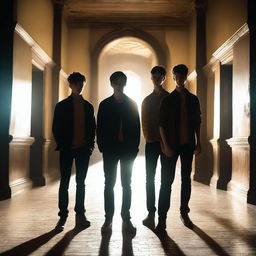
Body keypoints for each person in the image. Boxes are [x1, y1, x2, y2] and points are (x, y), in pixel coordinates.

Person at [155, 64, 201, 232]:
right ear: (173, 77)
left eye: (183, 76)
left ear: (186, 77)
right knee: (166, 182)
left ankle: (184, 212)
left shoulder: (193, 99)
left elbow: (197, 123)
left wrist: (199, 142)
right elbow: (161, 125)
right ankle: (162, 218)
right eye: (177, 76)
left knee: (186, 180)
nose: (180, 79)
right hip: (171, 146)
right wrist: (165, 146)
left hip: (188, 144)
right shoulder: (167, 100)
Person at [97, 71, 140, 234]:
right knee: (109, 184)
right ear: (111, 84)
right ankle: (108, 219)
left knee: (126, 185)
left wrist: (135, 149)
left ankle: (126, 218)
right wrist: (102, 147)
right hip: (110, 150)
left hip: (128, 150)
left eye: (122, 82)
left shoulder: (132, 104)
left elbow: (137, 128)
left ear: (125, 84)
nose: (119, 85)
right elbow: (99, 128)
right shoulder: (104, 104)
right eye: (116, 82)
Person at [52, 72, 96, 231]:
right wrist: (63, 145)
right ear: (70, 85)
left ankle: (80, 213)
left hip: (83, 150)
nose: (79, 86)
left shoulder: (88, 107)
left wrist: (90, 146)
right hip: (67, 149)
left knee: (81, 183)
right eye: (76, 83)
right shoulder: (61, 106)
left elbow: (92, 128)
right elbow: (56, 128)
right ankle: (63, 215)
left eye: (81, 83)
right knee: (64, 182)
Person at [141, 66, 169, 228]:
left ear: (164, 78)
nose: (156, 79)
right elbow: (144, 123)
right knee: (149, 178)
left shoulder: (170, 99)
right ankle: (151, 210)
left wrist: (166, 143)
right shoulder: (147, 101)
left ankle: (162, 214)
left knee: (165, 180)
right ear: (151, 78)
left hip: (167, 144)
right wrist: (153, 140)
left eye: (159, 77)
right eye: (154, 77)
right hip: (152, 144)